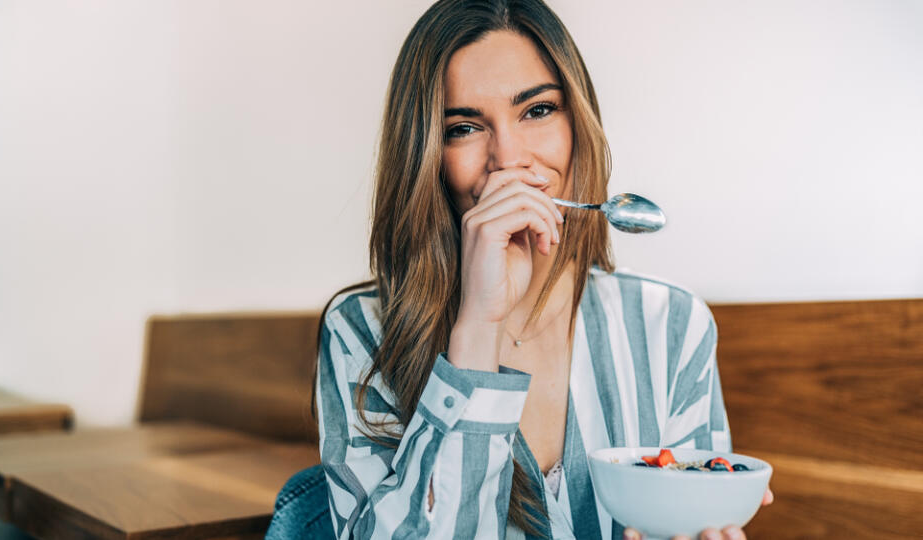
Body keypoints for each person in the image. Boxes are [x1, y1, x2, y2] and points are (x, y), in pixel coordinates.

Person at [313, 1, 773, 538]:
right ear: (426, 157)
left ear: (579, 121)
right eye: (463, 127)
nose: (508, 158)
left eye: (537, 111)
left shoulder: (670, 324)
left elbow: (693, 511)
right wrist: (478, 328)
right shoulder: (361, 332)